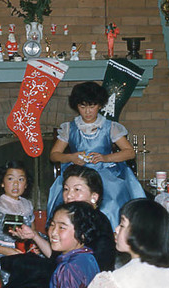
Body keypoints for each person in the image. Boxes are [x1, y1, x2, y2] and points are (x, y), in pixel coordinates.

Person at [0, 165, 115, 288]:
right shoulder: (71, 216)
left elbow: (92, 273)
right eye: (66, 189)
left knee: (26, 270)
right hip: (65, 272)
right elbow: (55, 256)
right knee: (23, 264)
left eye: (77, 190)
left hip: (81, 284)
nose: (69, 195)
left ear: (94, 197)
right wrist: (34, 236)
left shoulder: (97, 223)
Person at [48, 81, 145, 229]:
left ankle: (111, 237)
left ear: (100, 105)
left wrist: (106, 158)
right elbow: (54, 155)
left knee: (110, 201)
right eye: (82, 107)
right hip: (78, 174)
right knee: (66, 197)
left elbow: (129, 152)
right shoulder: (70, 128)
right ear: (76, 106)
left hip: (104, 173)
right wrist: (71, 157)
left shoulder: (109, 127)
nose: (87, 112)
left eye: (92, 106)